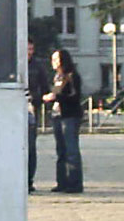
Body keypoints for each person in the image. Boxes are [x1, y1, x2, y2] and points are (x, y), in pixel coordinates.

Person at [43, 49, 83, 193]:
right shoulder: (57, 77)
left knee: (71, 150)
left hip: (69, 116)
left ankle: (75, 183)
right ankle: (62, 182)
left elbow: (75, 97)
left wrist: (56, 97)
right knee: (61, 150)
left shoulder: (72, 76)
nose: (53, 62)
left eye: (56, 59)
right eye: (52, 59)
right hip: (57, 115)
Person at [26, 38, 49, 193]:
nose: (29, 53)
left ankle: (29, 180)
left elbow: (45, 87)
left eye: (31, 49)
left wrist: (39, 101)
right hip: (13, 107)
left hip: (31, 107)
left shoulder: (37, 66)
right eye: (27, 49)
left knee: (30, 146)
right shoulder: (13, 63)